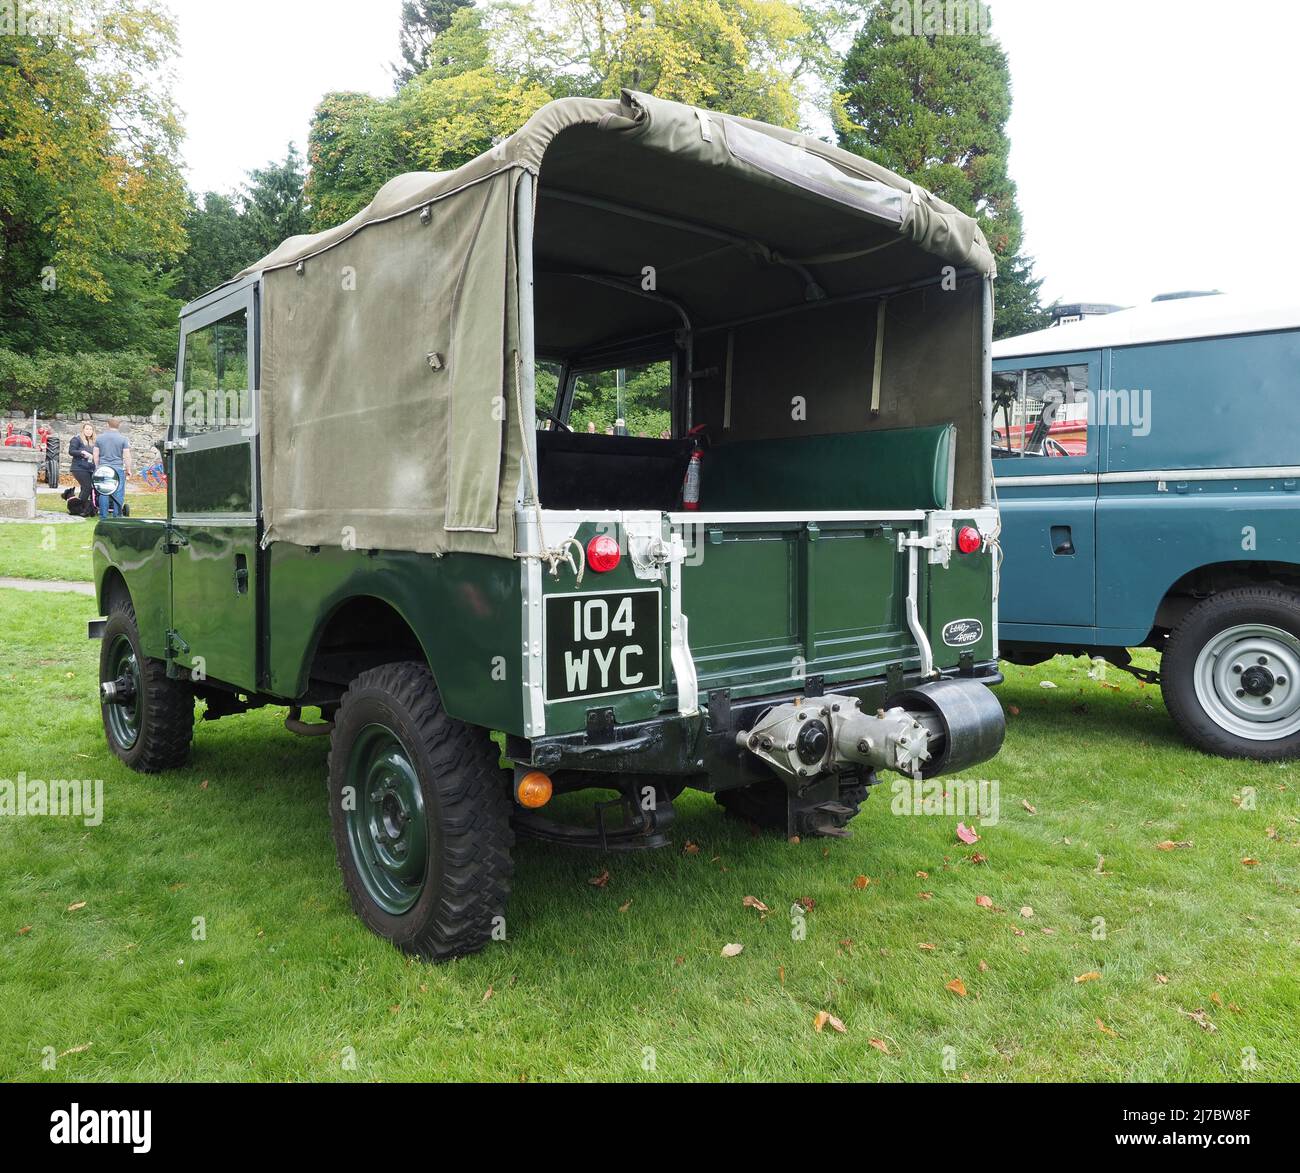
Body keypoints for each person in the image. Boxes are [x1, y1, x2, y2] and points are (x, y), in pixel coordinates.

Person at [93, 418, 131, 519]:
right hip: (118, 467)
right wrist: (128, 469)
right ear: (119, 426)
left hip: (103, 468)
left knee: (103, 492)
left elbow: (95, 454)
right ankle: (117, 515)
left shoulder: (99, 438)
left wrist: (97, 467)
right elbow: (126, 456)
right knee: (118, 491)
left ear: (107, 425)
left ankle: (103, 516)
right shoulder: (123, 439)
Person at [68, 422, 96, 512]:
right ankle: (80, 508)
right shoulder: (76, 439)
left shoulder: (93, 441)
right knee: (87, 487)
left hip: (90, 468)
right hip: (79, 467)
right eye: (87, 429)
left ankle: (84, 507)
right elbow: (71, 451)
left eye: (90, 429)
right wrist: (82, 452)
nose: (89, 431)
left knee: (87, 488)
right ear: (83, 430)